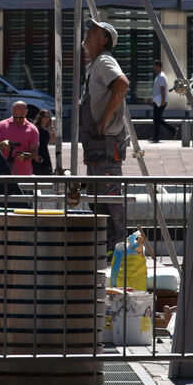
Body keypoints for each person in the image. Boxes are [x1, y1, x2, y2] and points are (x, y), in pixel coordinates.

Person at [78, 19, 129, 255]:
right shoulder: (96, 64)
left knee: (110, 199)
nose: (87, 33)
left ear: (105, 39)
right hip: (99, 145)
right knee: (98, 198)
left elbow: (121, 83)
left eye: (94, 31)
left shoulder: (105, 60)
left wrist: (105, 118)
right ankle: (107, 250)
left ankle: (117, 251)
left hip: (107, 142)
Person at [0, 100, 40, 176]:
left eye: (21, 117)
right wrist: (2, 144)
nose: (17, 119)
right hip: (3, 173)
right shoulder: (1, 125)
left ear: (26, 112)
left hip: (24, 174)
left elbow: (34, 153)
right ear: (11, 111)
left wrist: (25, 156)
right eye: (15, 117)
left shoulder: (32, 129)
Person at [151, 59, 177, 142]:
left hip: (160, 101)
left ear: (158, 66)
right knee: (157, 119)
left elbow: (162, 89)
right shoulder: (159, 76)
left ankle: (171, 130)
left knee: (157, 119)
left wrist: (162, 100)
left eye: (154, 66)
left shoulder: (161, 76)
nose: (153, 67)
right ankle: (157, 135)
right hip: (158, 101)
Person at [33, 108, 56, 175]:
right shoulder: (36, 128)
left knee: (47, 171)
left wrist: (50, 128)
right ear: (40, 117)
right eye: (45, 117)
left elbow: (53, 139)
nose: (47, 119)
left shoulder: (46, 128)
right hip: (37, 151)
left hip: (45, 152)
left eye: (48, 117)